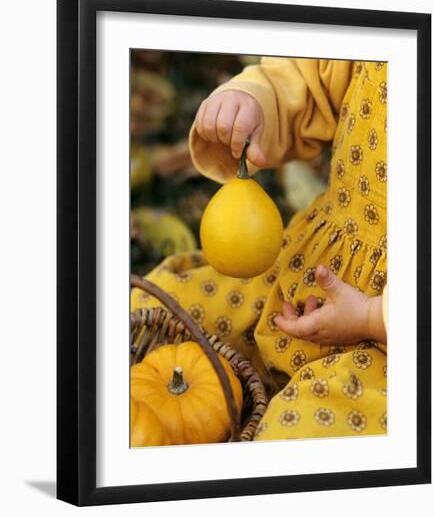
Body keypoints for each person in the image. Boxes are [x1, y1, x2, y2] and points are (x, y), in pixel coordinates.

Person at [132, 57, 388, 440]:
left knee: (303, 436)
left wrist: (374, 316)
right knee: (161, 311)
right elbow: (307, 77)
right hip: (311, 264)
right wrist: (255, 99)